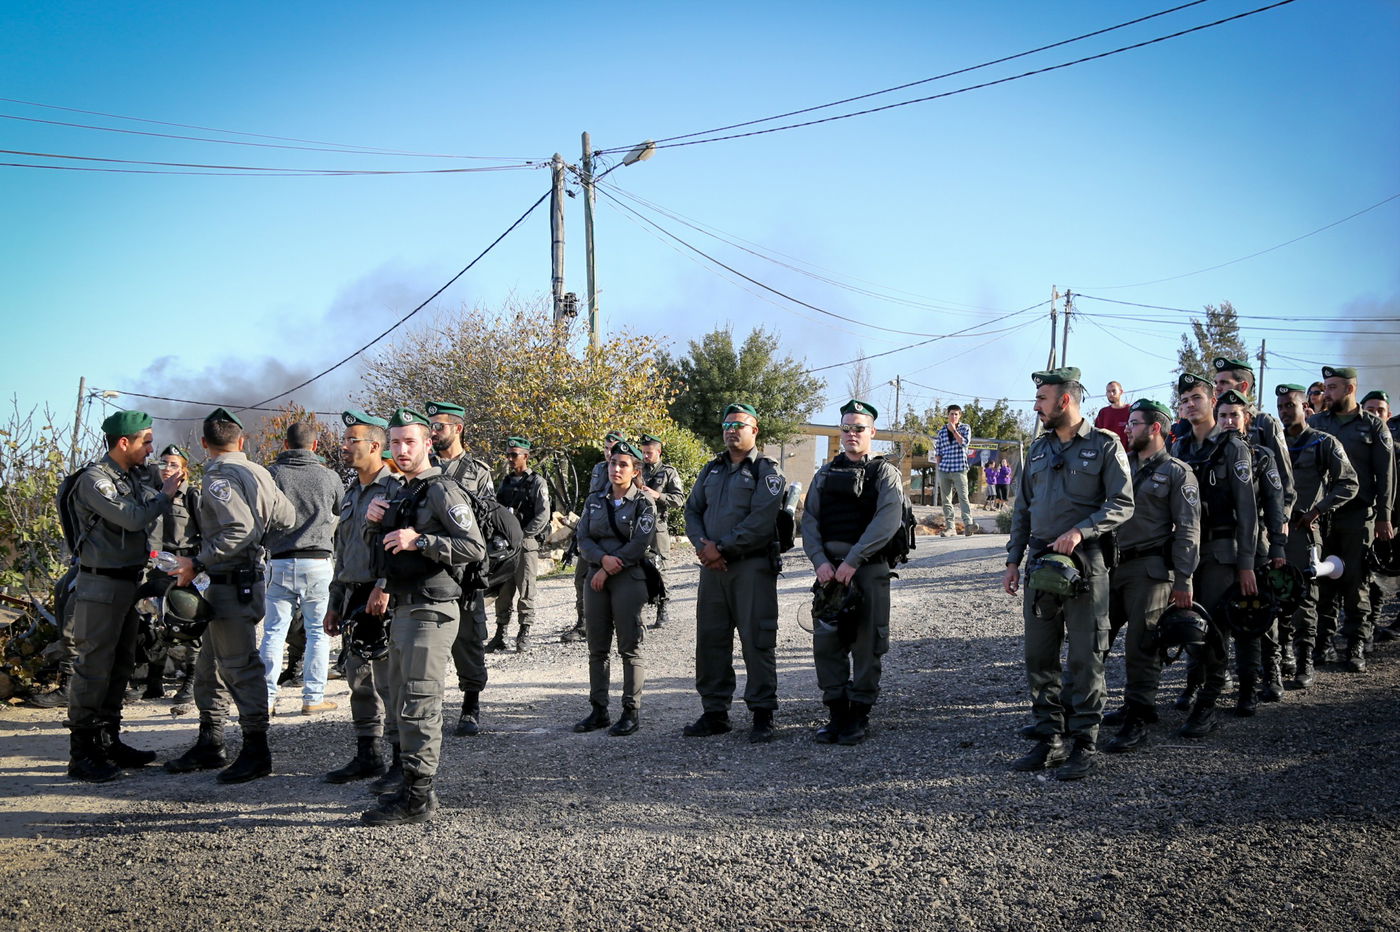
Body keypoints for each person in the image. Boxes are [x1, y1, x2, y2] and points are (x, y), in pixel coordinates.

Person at [1002, 368, 1133, 780]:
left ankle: (1084, 742)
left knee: (1084, 655)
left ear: (1065, 401)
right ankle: (1050, 738)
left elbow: (1123, 503)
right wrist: (1012, 560)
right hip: (1041, 563)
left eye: (1042, 398)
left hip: (1085, 563)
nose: (1036, 406)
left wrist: (1081, 530)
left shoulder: (1105, 445)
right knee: (1039, 654)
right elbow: (1022, 510)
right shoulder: (1037, 451)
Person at [361, 407, 486, 826]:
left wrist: (424, 540)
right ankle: (409, 781)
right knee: (400, 700)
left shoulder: (441, 491)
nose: (401, 449)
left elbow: (474, 547)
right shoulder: (401, 491)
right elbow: (383, 552)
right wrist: (372, 523)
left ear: (428, 444)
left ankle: (418, 798)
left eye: (409, 441)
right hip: (403, 606)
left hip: (431, 610)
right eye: (395, 442)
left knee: (419, 703)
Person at [166, 408, 295, 784]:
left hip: (229, 583)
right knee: (209, 667)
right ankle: (211, 741)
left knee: (239, 668)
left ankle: (257, 750)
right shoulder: (259, 472)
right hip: (240, 580)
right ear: (243, 441)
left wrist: (197, 560)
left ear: (204, 443)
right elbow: (286, 518)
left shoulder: (219, 476)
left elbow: (237, 529)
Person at [62, 410, 177, 781]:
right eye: (145, 440)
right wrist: (165, 496)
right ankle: (82, 753)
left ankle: (109, 740)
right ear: (123, 442)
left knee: (121, 664)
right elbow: (130, 518)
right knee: (93, 667)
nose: (151, 448)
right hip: (100, 585)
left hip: (128, 583)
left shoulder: (133, 475)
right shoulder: (95, 480)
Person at [800, 399, 903, 746]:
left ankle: (858, 715)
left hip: (868, 570)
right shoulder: (825, 474)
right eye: (846, 428)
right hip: (829, 573)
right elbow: (810, 520)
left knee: (867, 644)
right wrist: (820, 561)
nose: (851, 434)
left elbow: (886, 522)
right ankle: (836, 713)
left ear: (872, 432)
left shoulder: (884, 473)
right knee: (827, 644)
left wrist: (853, 561)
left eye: (859, 428)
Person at [683, 403, 786, 743]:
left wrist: (720, 548)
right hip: (713, 570)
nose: (731, 430)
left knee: (756, 640)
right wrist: (704, 547)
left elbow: (760, 522)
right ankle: (715, 713)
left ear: (754, 431)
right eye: (727, 424)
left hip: (751, 568)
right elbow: (693, 509)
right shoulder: (711, 469)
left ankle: (762, 714)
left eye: (739, 425)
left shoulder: (767, 472)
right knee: (711, 640)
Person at [1101, 400, 1200, 752]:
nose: (1127, 428)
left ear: (1155, 428)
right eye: (1128, 423)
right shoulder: (1121, 465)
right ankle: (1098, 707)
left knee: (1142, 645)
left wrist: (1184, 580)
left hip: (1151, 570)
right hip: (1113, 568)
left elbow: (1188, 529)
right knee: (1097, 637)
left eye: (1135, 423)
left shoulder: (1177, 472)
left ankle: (1138, 716)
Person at [1170, 375, 1257, 738]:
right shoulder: (1180, 448)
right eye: (1184, 400)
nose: (1190, 404)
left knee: (1218, 629)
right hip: (1190, 550)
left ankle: (1210, 703)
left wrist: (1247, 563)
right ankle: (1196, 686)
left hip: (1222, 551)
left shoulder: (1233, 447)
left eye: (1196, 398)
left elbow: (1247, 510)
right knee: (1190, 625)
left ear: (1212, 401)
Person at [322, 410, 400, 788]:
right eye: (345, 439)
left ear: (374, 445)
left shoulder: (396, 489)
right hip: (353, 595)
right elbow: (344, 551)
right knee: (358, 679)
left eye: (353, 440)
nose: (345, 446)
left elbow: (398, 548)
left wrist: (383, 586)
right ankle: (368, 754)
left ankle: (402, 760)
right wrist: (335, 603)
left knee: (389, 681)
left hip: (381, 596)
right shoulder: (351, 492)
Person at [1307, 367, 1394, 671]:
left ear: (1349, 389)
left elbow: (1385, 476)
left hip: (1358, 515)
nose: (1326, 393)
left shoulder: (1372, 427)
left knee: (1356, 580)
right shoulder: (1316, 423)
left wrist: (1384, 517)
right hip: (1321, 515)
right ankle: (1324, 642)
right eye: (1326, 387)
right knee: (1322, 579)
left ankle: (1356, 641)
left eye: (1332, 387)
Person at [572, 440, 657, 736]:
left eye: (623, 464)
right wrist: (602, 561)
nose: (616, 468)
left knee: (629, 647)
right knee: (597, 648)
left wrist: (608, 568)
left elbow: (639, 544)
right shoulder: (595, 500)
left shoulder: (644, 503)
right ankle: (599, 710)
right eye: (613, 463)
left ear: (635, 471)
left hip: (628, 579)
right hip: (596, 576)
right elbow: (583, 538)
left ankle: (631, 712)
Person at [1274, 384, 1356, 687]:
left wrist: (1318, 510)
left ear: (1304, 407)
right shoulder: (1272, 443)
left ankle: (1305, 660)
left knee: (1305, 598)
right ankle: (1282, 654)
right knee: (1276, 595)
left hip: (1304, 532)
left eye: (1289, 406)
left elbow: (1348, 483)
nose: (1284, 412)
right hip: (1275, 533)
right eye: (1280, 407)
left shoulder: (1323, 442)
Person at [259, 422, 343, 717]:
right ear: (315, 446)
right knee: (318, 633)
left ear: (285, 445)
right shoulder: (329, 476)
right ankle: (312, 698)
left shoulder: (271, 475)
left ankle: (266, 699)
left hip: (279, 561)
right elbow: (341, 511)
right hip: (318, 562)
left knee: (273, 632)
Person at [424, 400, 495, 738]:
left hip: (465, 570)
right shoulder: (424, 466)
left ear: (458, 428)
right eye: (431, 427)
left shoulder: (478, 471)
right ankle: (426, 709)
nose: (433, 433)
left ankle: (471, 704)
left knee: (468, 640)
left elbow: (487, 521)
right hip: (429, 567)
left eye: (439, 426)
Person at [1215, 390, 1288, 712]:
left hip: (1255, 545)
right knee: (1218, 617)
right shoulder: (1208, 455)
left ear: (1247, 420)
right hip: (1217, 547)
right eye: (1223, 416)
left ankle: (1261, 681)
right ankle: (1208, 683)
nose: (1229, 421)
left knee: (1256, 617)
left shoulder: (1262, 456)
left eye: (1234, 415)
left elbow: (1274, 502)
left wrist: (1278, 547)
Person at [146, 444, 202, 703]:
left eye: (173, 464)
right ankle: (154, 681)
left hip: (182, 568)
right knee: (153, 624)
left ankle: (191, 682)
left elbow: (205, 533)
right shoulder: (151, 495)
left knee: (187, 625)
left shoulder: (191, 496)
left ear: (184, 471)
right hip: (154, 568)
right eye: (163, 463)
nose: (167, 469)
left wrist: (197, 565)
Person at [1212, 357, 1296, 521]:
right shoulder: (1216, 422)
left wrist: (1283, 515)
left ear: (1243, 386)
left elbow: (1283, 472)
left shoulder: (1264, 423)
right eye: (1216, 382)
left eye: (1223, 382)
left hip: (1259, 516)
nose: (1217, 388)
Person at [563, 430, 625, 643]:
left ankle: (620, 621)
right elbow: (592, 498)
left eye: (613, 449)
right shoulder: (599, 469)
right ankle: (583, 623)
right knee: (581, 578)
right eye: (606, 449)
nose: (609, 454)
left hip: (618, 534)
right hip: (593, 530)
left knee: (621, 579)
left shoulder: (627, 471)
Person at [492, 437, 551, 652]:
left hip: (525, 543)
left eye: (514, 455)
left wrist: (523, 534)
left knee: (526, 589)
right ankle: (500, 632)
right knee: (503, 590)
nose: (509, 459)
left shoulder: (537, 482)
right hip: (506, 545)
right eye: (508, 454)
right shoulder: (506, 481)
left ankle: (524, 632)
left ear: (526, 456)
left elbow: (543, 515)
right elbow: (497, 509)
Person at [1360, 390, 1400, 643]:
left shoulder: (1396, 449)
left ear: (1389, 416)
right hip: (1363, 518)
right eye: (1370, 410)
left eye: (1380, 411)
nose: (1375, 415)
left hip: (1394, 518)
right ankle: (1369, 623)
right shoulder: (1352, 445)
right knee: (1369, 573)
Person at [639, 433, 685, 629]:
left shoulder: (668, 472)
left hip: (658, 525)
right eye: (643, 453)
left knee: (660, 566)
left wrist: (657, 495)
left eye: (649, 453)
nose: (646, 456)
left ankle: (662, 608)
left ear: (659, 452)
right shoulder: (636, 469)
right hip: (637, 524)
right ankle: (635, 611)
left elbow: (679, 500)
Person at [934, 405, 974, 537]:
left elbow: (964, 443)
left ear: (960, 416)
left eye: (956, 414)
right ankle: (950, 528)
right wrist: (939, 468)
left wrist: (954, 431)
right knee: (946, 499)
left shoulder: (965, 428)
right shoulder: (941, 432)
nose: (954, 416)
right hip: (945, 469)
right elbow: (938, 452)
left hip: (959, 468)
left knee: (963, 497)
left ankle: (968, 524)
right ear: (948, 415)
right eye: (952, 414)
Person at [1093, 381, 1132, 447]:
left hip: (1128, 454)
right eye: (1108, 391)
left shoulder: (1131, 410)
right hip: (1107, 454)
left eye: (1114, 391)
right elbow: (1097, 436)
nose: (1111, 394)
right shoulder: (1103, 412)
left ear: (1121, 392)